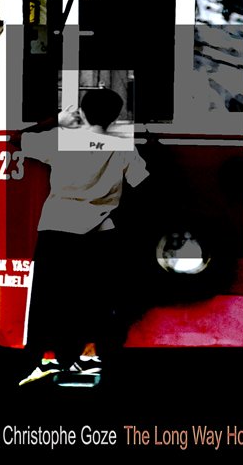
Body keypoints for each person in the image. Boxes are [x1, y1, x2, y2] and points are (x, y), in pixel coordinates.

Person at [18, 87, 149, 385]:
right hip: (100, 230)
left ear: (82, 113)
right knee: (94, 296)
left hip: (57, 226)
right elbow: (141, 183)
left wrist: (58, 120)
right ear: (115, 116)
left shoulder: (61, 140)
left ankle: (49, 357)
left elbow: (19, 138)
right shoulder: (123, 147)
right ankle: (88, 355)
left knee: (50, 296)